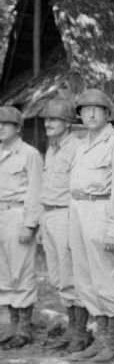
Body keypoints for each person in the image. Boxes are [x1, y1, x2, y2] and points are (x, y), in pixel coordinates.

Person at [68, 89, 114, 364]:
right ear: (79, 114)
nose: (90, 114)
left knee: (106, 275)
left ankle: (113, 342)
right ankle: (100, 338)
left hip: (101, 208)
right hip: (78, 210)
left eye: (97, 109)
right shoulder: (82, 143)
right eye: (85, 109)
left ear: (107, 113)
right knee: (85, 278)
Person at [39, 98, 86, 352]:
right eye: (46, 119)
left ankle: (79, 333)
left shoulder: (76, 148)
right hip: (49, 215)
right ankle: (71, 329)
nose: (47, 123)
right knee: (58, 277)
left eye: (53, 119)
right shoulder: (52, 148)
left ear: (68, 123)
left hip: (67, 215)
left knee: (71, 277)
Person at [0, 106, 43, 348]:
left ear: (18, 128)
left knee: (21, 271)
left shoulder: (30, 154)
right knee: (4, 272)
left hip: (18, 215)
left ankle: (24, 328)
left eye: (6, 124)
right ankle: (12, 325)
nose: (0, 128)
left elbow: (36, 190)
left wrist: (29, 224)